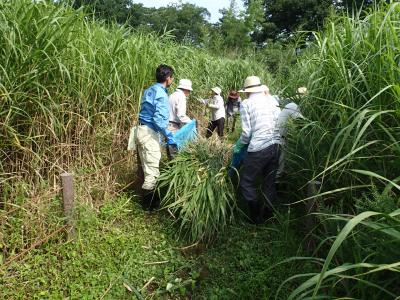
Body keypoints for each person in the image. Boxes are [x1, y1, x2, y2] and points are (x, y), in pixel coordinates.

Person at [238, 76, 281, 224]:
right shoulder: (271, 100)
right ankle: (268, 214)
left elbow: (246, 133)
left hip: (259, 148)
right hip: (276, 144)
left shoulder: (246, 103)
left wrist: (239, 146)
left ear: (247, 91)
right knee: (269, 181)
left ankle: (256, 217)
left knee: (246, 182)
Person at [135, 64, 177, 210]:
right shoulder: (161, 94)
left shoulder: (149, 90)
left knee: (147, 167)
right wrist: (168, 135)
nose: (172, 80)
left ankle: (149, 202)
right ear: (167, 78)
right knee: (152, 171)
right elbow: (159, 120)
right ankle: (149, 207)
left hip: (140, 130)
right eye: (172, 77)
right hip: (148, 133)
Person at [275, 87, 306, 177]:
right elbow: (302, 123)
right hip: (281, 139)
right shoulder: (293, 106)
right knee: (279, 167)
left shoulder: (292, 105)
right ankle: (276, 185)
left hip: (281, 138)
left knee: (281, 164)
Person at [167, 79, 193, 159]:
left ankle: (170, 168)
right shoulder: (181, 97)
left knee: (170, 150)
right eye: (189, 91)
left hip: (167, 125)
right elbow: (181, 115)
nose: (189, 93)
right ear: (186, 89)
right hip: (173, 127)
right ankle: (174, 168)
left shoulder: (172, 95)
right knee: (175, 152)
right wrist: (191, 122)